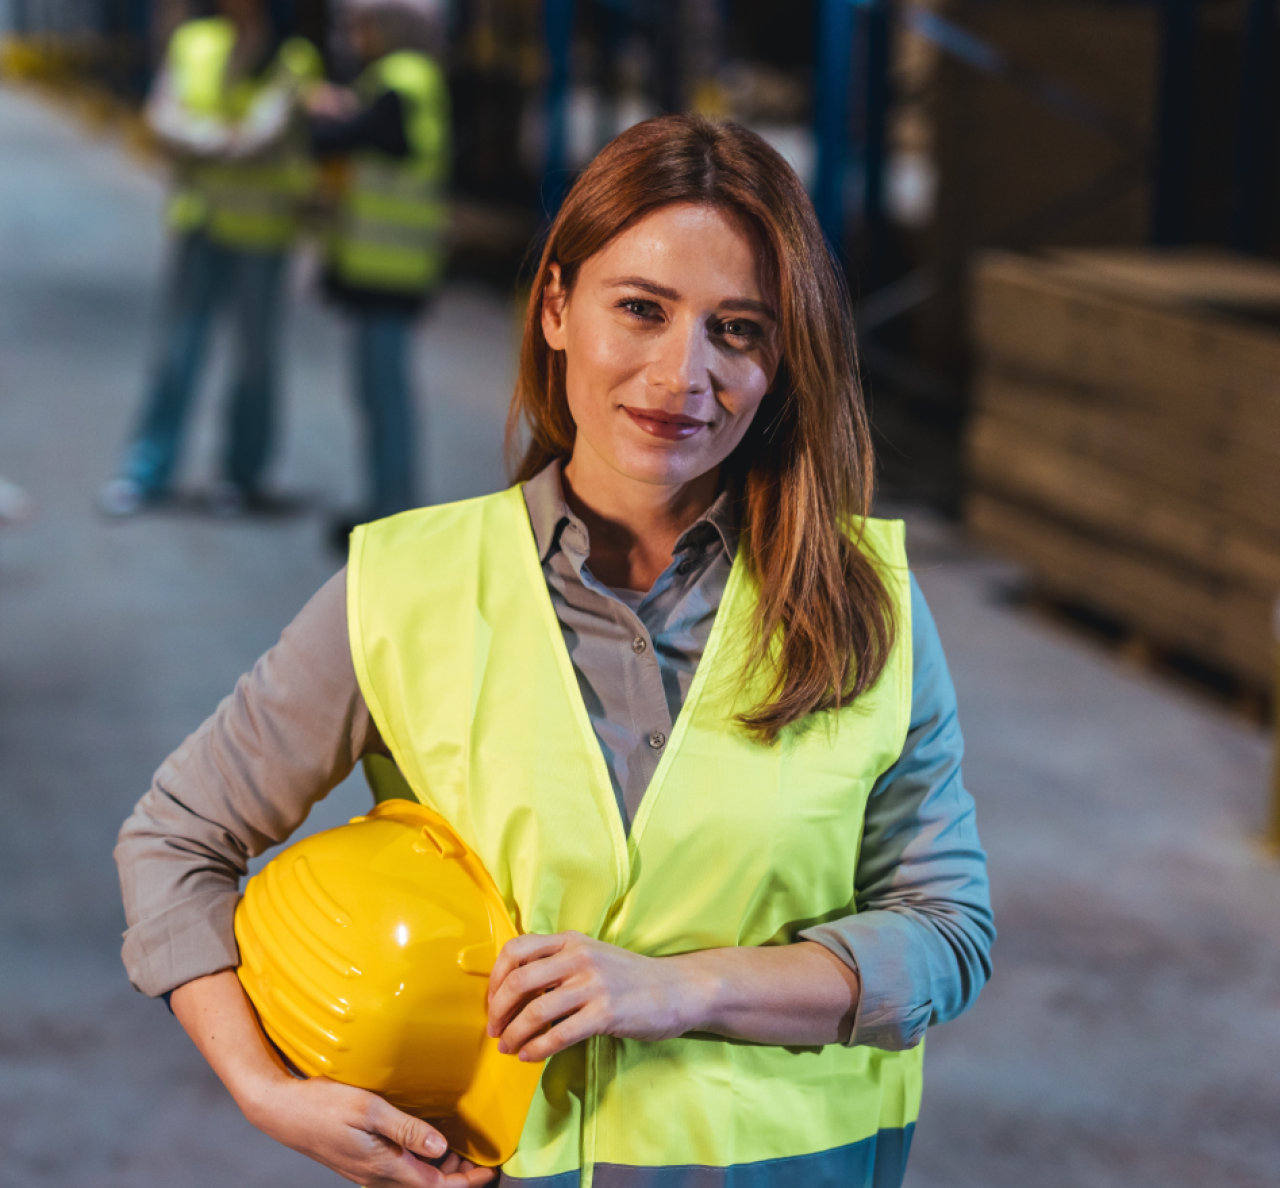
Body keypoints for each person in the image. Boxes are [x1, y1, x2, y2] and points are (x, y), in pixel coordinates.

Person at [115, 115, 994, 1188]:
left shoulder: (864, 604)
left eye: (737, 330)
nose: (682, 374)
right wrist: (266, 1089)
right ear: (556, 308)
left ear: (782, 360)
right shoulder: (410, 587)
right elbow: (174, 839)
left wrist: (684, 988)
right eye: (641, 309)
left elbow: (946, 932)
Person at [98, 0, 323, 519]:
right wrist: (218, 138)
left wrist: (200, 140)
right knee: (176, 352)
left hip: (262, 231)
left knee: (254, 362)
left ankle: (241, 476)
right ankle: (145, 472)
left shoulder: (293, 60)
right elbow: (161, 118)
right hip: (199, 223)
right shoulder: (195, 42)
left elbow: (259, 139)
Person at [306, 0, 451, 547]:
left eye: (362, 22)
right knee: (377, 396)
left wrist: (322, 117)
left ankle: (394, 517)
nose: (353, 33)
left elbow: (365, 137)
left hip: (390, 271)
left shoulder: (401, 79)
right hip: (382, 267)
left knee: (383, 398)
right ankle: (386, 507)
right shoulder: (401, 79)